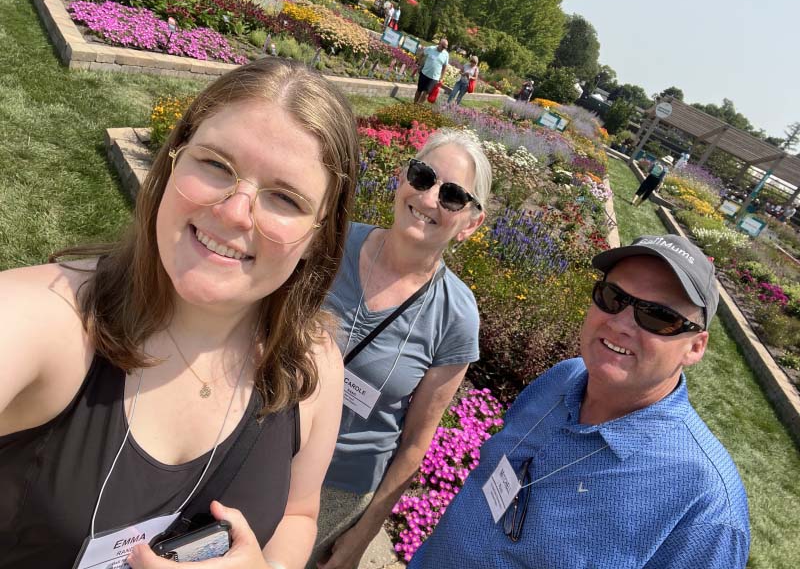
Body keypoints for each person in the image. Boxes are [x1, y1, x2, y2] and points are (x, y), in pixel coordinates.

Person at [0, 58, 360, 568]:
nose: (234, 212)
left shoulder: (314, 367)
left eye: (284, 198)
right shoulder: (44, 319)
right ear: (173, 160)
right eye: (216, 164)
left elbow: (298, 514)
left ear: (319, 237)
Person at [409, 234, 750, 569]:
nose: (620, 323)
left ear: (695, 347)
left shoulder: (705, 507)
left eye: (658, 316)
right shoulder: (564, 377)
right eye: (613, 297)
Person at [308, 130, 491, 569]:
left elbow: (414, 443)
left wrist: (362, 535)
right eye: (423, 176)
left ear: (470, 223)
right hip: (264, 444)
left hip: (337, 490)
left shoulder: (455, 316)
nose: (428, 199)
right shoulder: (330, 244)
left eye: (452, 196)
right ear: (402, 177)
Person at [413, 38, 450, 104]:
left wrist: (441, 78)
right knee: (419, 90)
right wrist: (419, 64)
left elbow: (445, 67)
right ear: (439, 44)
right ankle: (414, 104)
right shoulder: (431, 48)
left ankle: (418, 106)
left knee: (426, 93)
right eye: (443, 46)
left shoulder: (446, 54)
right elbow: (422, 54)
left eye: (445, 47)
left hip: (434, 78)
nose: (443, 48)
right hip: (424, 73)